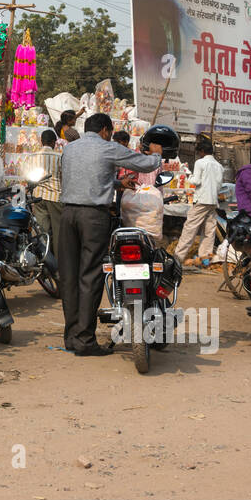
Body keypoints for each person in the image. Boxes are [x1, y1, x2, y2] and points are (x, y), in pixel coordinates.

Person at [59, 113, 163, 356]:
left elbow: (83, 180)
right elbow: (146, 164)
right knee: (90, 276)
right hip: (93, 217)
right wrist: (156, 152)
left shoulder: (70, 149)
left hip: (68, 215)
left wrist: (116, 184)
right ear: (105, 130)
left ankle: (72, 337)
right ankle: (85, 340)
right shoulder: (108, 148)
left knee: (69, 277)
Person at [172, 137, 222, 268]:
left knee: (190, 229)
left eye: (199, 152)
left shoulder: (200, 163)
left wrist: (188, 176)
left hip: (202, 200)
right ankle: (204, 259)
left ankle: (178, 257)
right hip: (212, 201)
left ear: (202, 151)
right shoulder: (219, 166)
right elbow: (218, 184)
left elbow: (196, 181)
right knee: (209, 231)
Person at [26, 128, 63, 259]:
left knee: (42, 231)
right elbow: (64, 177)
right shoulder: (59, 157)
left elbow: (28, 179)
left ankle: (44, 260)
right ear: (54, 142)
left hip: (38, 197)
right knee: (58, 232)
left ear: (41, 142)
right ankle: (58, 262)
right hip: (56, 197)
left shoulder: (32, 157)